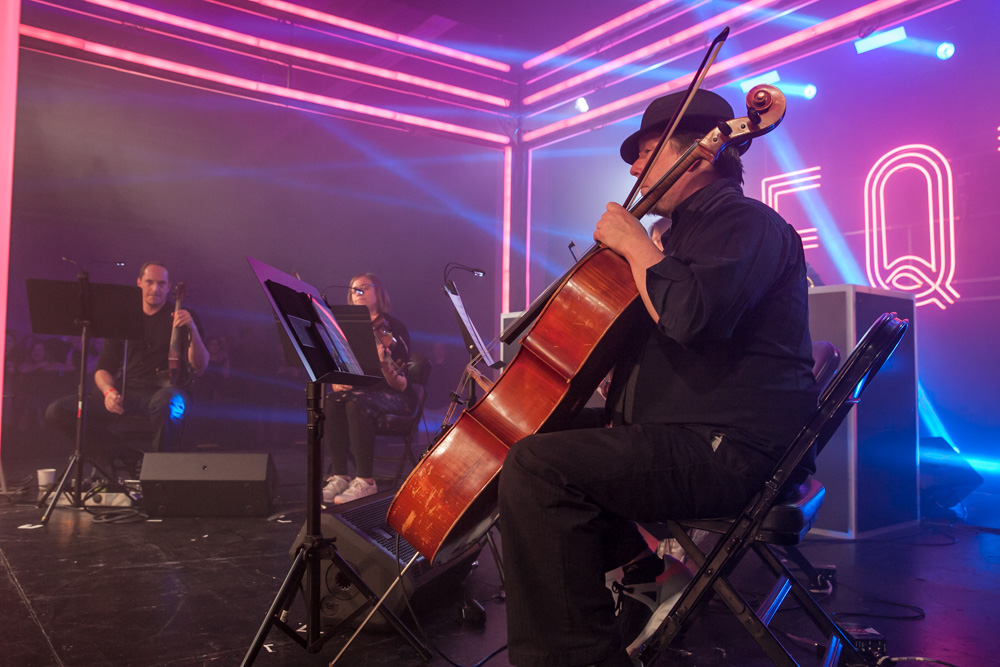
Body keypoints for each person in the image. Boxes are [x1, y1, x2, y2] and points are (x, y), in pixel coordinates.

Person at [497, 89, 818, 667]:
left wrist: (635, 243)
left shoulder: (743, 223)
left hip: (728, 447)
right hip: (691, 431)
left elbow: (690, 317)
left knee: (539, 471)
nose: (634, 168)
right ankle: (647, 573)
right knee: (530, 441)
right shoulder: (681, 238)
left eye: (647, 152)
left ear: (699, 155)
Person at [46, 261, 209, 460]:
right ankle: (124, 456)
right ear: (139, 283)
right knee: (58, 411)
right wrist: (109, 391)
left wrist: (191, 328)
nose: (155, 288)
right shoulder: (123, 318)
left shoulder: (183, 316)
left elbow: (200, 366)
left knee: (168, 403)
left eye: (161, 283)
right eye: (149, 282)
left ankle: (159, 472)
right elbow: (103, 368)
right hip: (129, 390)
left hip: (166, 388)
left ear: (168, 286)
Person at [322, 273, 416, 505]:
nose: (359, 292)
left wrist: (385, 364)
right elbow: (340, 365)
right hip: (361, 393)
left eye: (365, 287)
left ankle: (365, 480)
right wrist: (337, 380)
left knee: (357, 402)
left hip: (396, 396)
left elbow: (402, 384)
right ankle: (340, 476)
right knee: (332, 400)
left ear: (379, 292)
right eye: (354, 289)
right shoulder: (347, 330)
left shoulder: (393, 328)